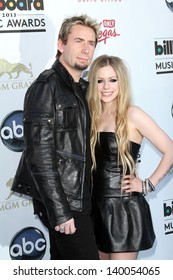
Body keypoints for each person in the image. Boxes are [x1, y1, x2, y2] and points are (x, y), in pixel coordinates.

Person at [11, 14, 100, 260]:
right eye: (78, 41)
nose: (85, 49)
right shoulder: (46, 86)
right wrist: (59, 211)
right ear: (61, 45)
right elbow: (39, 156)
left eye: (91, 43)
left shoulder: (82, 88)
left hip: (81, 198)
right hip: (65, 201)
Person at [87, 54, 173, 260]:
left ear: (121, 82)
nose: (106, 87)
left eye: (112, 80)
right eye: (100, 81)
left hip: (122, 209)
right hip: (94, 208)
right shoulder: (91, 114)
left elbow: (170, 150)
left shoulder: (132, 114)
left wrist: (147, 185)